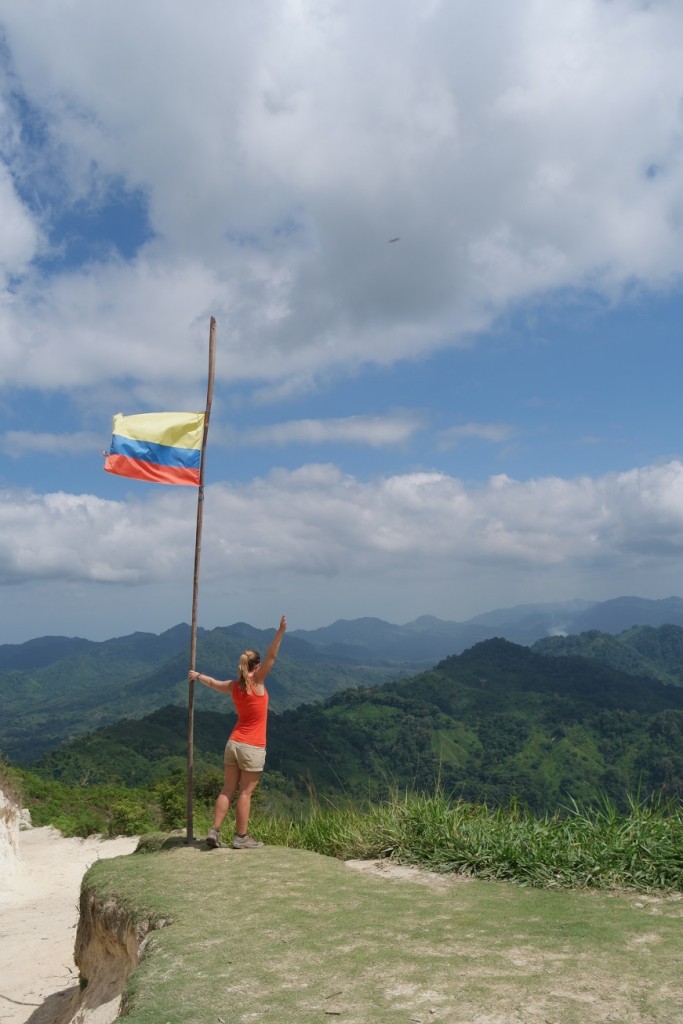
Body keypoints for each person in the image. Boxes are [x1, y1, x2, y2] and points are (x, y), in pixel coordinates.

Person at [188, 614, 287, 849]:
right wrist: (280, 631)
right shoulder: (258, 682)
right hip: (252, 746)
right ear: (257, 666)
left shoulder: (234, 686)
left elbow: (213, 683)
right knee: (245, 793)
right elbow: (273, 655)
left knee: (228, 788)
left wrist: (197, 675)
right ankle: (241, 837)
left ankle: (214, 831)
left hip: (233, 743)